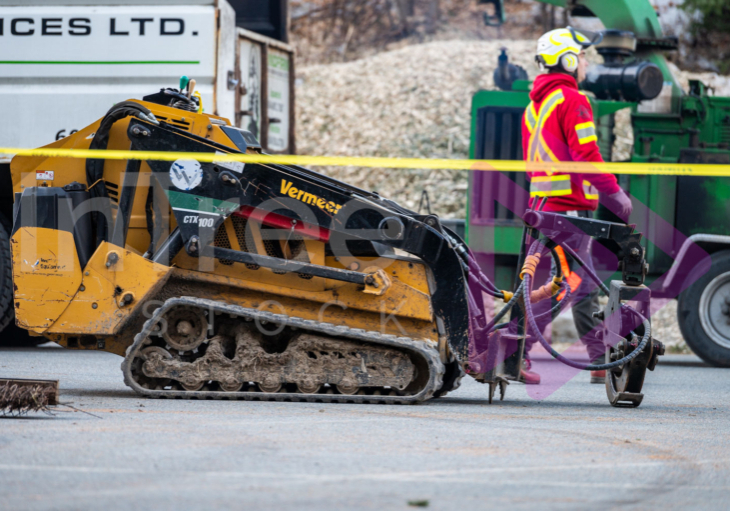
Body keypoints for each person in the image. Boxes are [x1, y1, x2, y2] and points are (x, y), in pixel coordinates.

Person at [519, 27, 633, 385]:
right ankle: (511, 353)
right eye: (582, 56)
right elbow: (586, 156)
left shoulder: (533, 107)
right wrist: (614, 194)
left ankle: (598, 359)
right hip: (567, 211)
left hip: (541, 208)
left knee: (560, 284)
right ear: (567, 60)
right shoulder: (573, 100)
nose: (586, 62)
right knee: (571, 284)